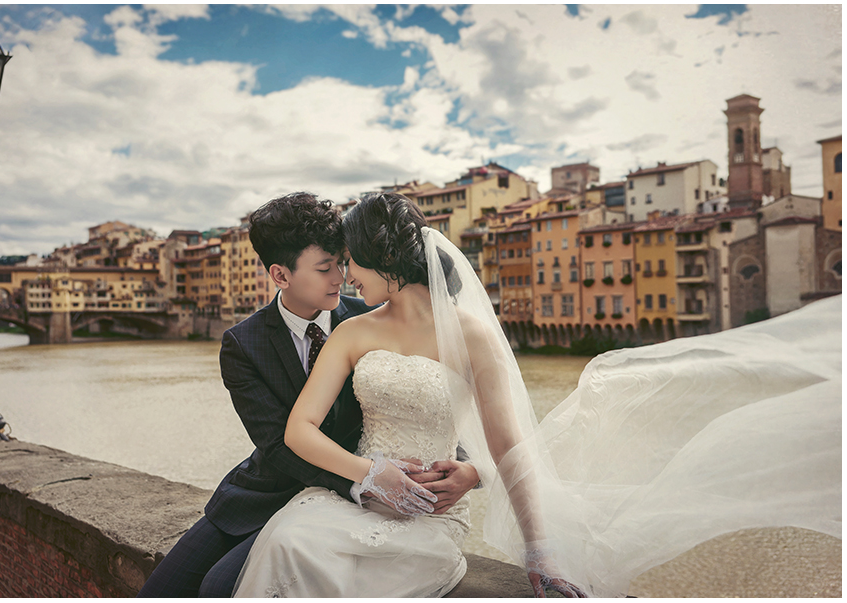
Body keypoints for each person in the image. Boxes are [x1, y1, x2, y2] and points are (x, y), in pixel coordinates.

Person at [232, 192, 840, 598]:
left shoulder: (471, 337)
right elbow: (298, 430)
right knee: (289, 543)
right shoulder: (353, 329)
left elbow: (511, 446)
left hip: (431, 517)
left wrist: (540, 548)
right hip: (357, 497)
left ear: (380, 257)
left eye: (350, 262)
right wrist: (373, 476)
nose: (344, 277)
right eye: (334, 266)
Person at [137, 192, 480, 598]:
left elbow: (434, 400)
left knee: (219, 586)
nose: (340, 276)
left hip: (352, 508)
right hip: (268, 492)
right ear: (281, 276)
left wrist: (471, 470)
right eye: (324, 268)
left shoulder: (372, 316)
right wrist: (364, 478)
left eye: (341, 261)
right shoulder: (243, 344)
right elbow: (279, 444)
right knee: (160, 591)